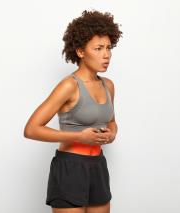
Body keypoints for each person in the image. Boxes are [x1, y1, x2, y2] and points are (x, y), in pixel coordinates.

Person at [23, 10, 123, 213]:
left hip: (98, 165)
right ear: (80, 51)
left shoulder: (108, 85)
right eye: (98, 48)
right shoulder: (69, 86)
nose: (106, 55)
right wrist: (80, 136)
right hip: (70, 167)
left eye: (108, 48)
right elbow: (31, 129)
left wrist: (111, 133)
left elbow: (111, 121)